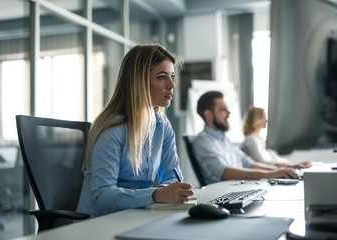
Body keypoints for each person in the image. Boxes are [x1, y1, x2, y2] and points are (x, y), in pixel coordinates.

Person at [76, 44, 194, 218]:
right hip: (97, 225)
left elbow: (172, 177)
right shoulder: (112, 129)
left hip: (133, 217)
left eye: (172, 76)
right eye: (162, 77)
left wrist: (166, 191)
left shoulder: (162, 126)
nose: (172, 85)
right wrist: (155, 195)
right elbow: (102, 195)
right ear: (139, 82)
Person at [192, 91, 300, 185]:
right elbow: (223, 172)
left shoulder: (225, 140)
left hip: (240, 187)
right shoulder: (203, 141)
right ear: (208, 114)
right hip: (223, 195)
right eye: (223, 109)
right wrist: (270, 174)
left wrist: (281, 170)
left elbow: (249, 164)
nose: (228, 113)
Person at [241, 105, 311, 169]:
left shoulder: (260, 139)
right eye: (264, 117)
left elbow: (275, 158)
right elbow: (262, 162)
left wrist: (294, 164)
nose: (266, 120)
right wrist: (290, 166)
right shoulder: (251, 139)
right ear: (257, 120)